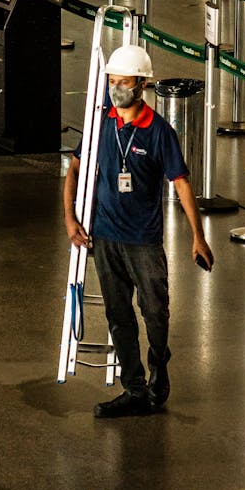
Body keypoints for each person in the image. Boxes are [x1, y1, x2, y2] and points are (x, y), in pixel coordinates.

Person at [63, 44, 214, 419]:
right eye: (112, 81)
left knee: (155, 312)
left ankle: (159, 365)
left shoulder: (160, 133)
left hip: (144, 241)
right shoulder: (102, 125)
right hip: (106, 236)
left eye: (124, 82)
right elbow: (75, 170)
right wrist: (70, 218)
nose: (117, 89)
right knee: (118, 315)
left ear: (142, 85)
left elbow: (180, 183)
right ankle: (134, 388)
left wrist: (198, 236)